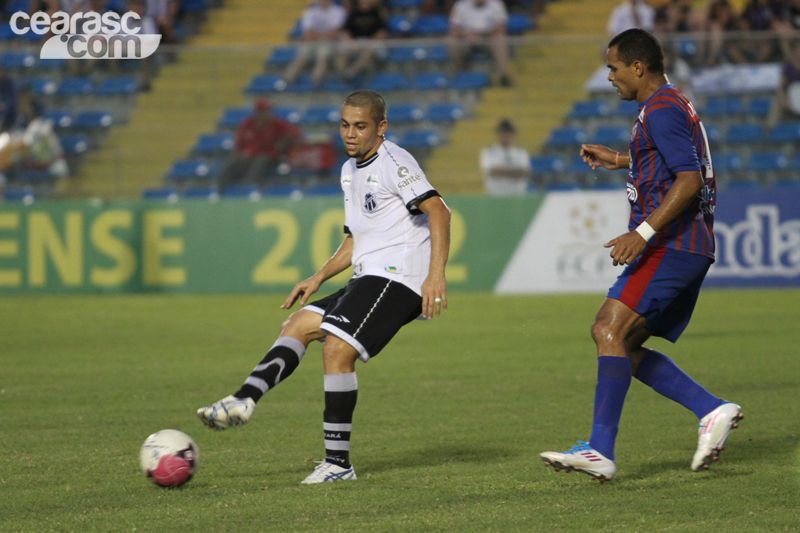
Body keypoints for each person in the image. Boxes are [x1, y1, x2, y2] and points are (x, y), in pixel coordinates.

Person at [197, 90, 452, 484]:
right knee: (298, 324)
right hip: (369, 273)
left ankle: (337, 465)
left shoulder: (395, 162)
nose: (350, 134)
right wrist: (318, 277)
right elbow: (356, 238)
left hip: (399, 276)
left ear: (381, 127)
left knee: (336, 348)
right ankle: (243, 400)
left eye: (361, 126)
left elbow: (439, 210)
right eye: (345, 125)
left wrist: (436, 275)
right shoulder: (350, 169)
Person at [540, 29, 743, 483]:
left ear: (638, 67)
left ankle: (600, 450)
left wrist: (644, 232)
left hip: (673, 242)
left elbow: (688, 179)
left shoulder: (662, 110)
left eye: (613, 68)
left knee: (607, 327)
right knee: (623, 343)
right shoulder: (667, 105)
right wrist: (618, 159)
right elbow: (668, 163)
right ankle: (711, 410)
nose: (609, 76)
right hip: (686, 244)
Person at [217, 98, 301, 189]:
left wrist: (283, 141)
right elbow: (239, 144)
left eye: (267, 111)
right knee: (233, 164)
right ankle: (221, 190)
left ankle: (247, 189)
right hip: (249, 155)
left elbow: (294, 133)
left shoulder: (277, 124)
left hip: (270, 156)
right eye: (262, 111)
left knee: (259, 162)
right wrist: (237, 155)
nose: (265, 114)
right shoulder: (248, 124)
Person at [282, 0, 347, 88]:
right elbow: (307, 34)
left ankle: (316, 80)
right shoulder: (310, 12)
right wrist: (324, 34)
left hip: (329, 42)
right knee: (302, 54)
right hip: (313, 41)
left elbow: (334, 34)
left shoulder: (338, 11)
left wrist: (317, 34)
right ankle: (287, 80)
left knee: (323, 55)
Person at [447, 0, 512, 86]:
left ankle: (502, 75)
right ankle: (459, 73)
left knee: (500, 39)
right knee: (451, 41)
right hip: (466, 39)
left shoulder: (497, 4)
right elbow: (453, 30)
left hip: (488, 39)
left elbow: (501, 28)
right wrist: (467, 34)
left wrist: (485, 34)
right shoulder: (460, 5)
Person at [334, 0, 389, 82]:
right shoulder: (353, 13)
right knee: (341, 52)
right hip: (356, 41)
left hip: (372, 42)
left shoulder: (377, 13)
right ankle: (341, 74)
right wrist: (352, 44)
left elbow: (382, 33)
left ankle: (351, 72)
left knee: (369, 51)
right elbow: (345, 32)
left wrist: (369, 43)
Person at [479, 119, 532, 195]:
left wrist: (502, 171)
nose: (506, 136)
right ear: (498, 134)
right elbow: (492, 172)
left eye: (508, 133)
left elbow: (525, 173)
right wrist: (515, 173)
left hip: (517, 197)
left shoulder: (520, 152)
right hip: (495, 197)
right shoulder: (488, 152)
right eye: (503, 133)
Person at [767, 40, 800, 130]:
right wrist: (784, 100)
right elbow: (781, 86)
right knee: (777, 101)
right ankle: (770, 130)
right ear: (795, 50)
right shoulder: (788, 66)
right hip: (790, 98)